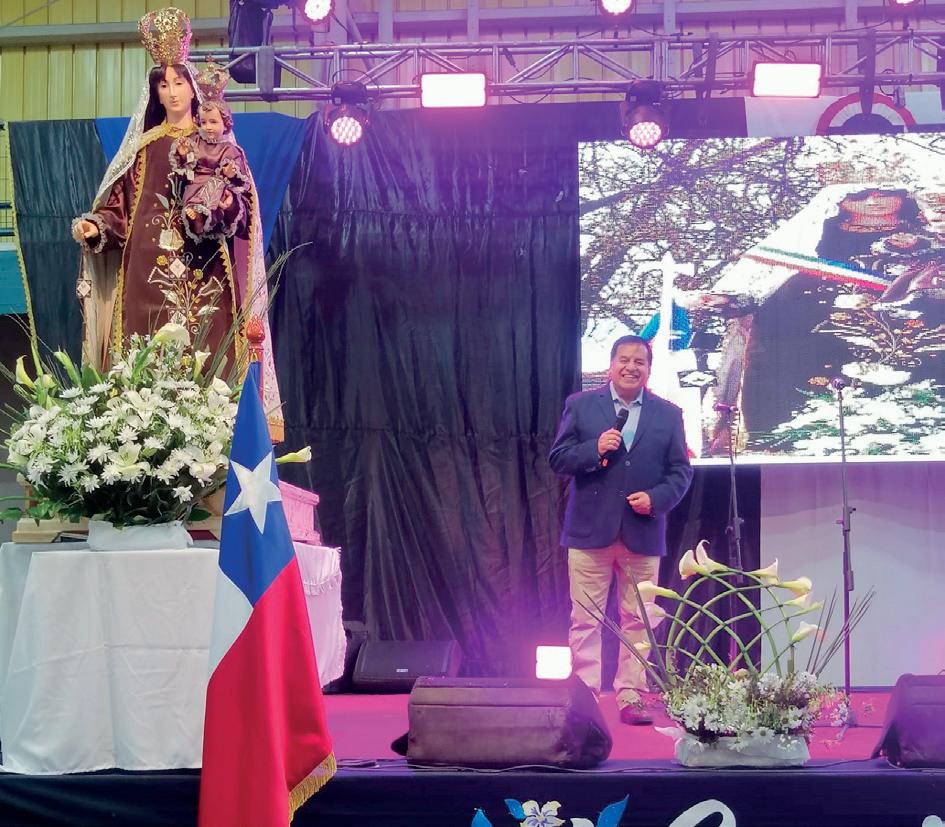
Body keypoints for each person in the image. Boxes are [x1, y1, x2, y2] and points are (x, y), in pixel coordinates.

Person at [71, 8, 283, 439]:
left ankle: (214, 442)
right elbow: (119, 208)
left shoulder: (218, 147)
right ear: (155, 91)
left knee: (207, 357)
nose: (171, 92)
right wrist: (97, 226)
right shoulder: (143, 149)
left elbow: (241, 205)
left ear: (193, 87)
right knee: (145, 360)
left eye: (179, 82)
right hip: (145, 279)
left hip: (205, 272)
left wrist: (216, 208)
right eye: (163, 84)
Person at [549, 335, 693, 725]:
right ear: (611, 365)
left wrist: (656, 499)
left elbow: (680, 472)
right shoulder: (581, 406)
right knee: (586, 619)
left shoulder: (668, 414)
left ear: (649, 369)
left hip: (642, 532)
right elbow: (558, 459)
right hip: (589, 533)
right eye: (624, 360)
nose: (631, 367)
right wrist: (594, 448)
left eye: (639, 362)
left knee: (640, 619)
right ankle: (585, 697)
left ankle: (631, 695)